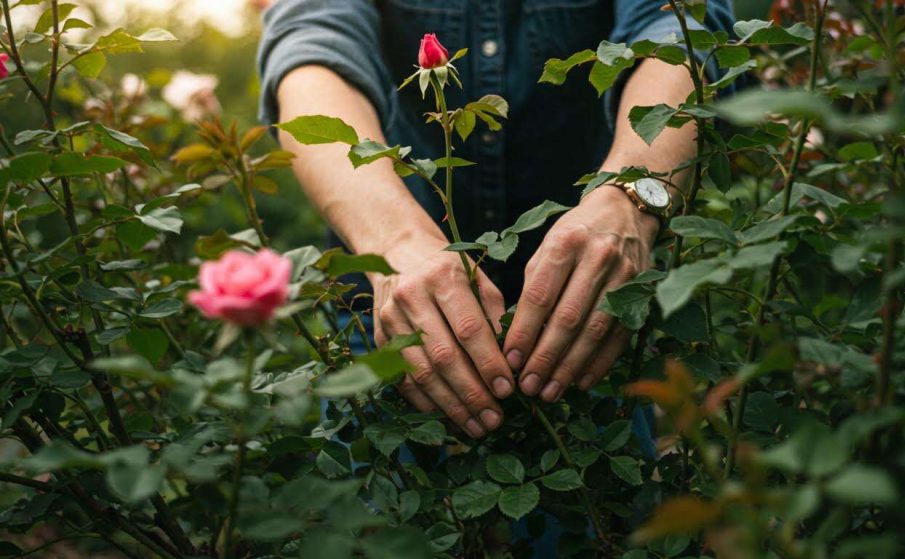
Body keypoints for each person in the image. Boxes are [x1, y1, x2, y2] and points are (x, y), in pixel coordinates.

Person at [258, 0, 737, 438]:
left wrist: (628, 200)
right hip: (392, 305)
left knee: (596, 522)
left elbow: (680, 26)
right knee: (369, 522)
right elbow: (311, 46)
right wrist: (396, 244)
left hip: (585, 297)